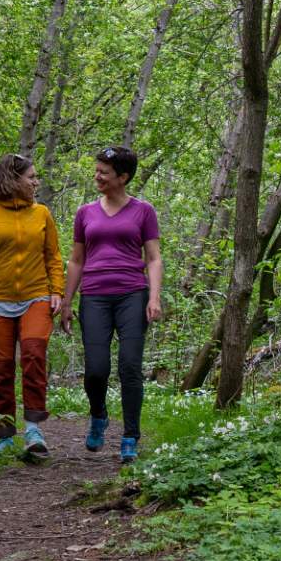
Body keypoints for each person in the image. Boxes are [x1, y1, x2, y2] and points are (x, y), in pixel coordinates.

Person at [57, 145, 161, 463]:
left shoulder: (143, 211)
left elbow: (154, 257)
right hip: (94, 296)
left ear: (123, 177)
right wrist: (66, 302)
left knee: (130, 366)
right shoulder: (85, 213)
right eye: (97, 170)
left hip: (132, 294)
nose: (97, 176)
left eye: (104, 172)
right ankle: (98, 415)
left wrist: (154, 297)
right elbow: (76, 260)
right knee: (96, 370)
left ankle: (130, 435)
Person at [0, 154, 64, 461]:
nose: (36, 182)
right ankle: (4, 436)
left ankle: (34, 432)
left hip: (36, 297)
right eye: (31, 177)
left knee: (33, 355)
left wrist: (56, 290)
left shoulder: (42, 214)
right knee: (1, 368)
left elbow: (53, 257)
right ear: (12, 180)